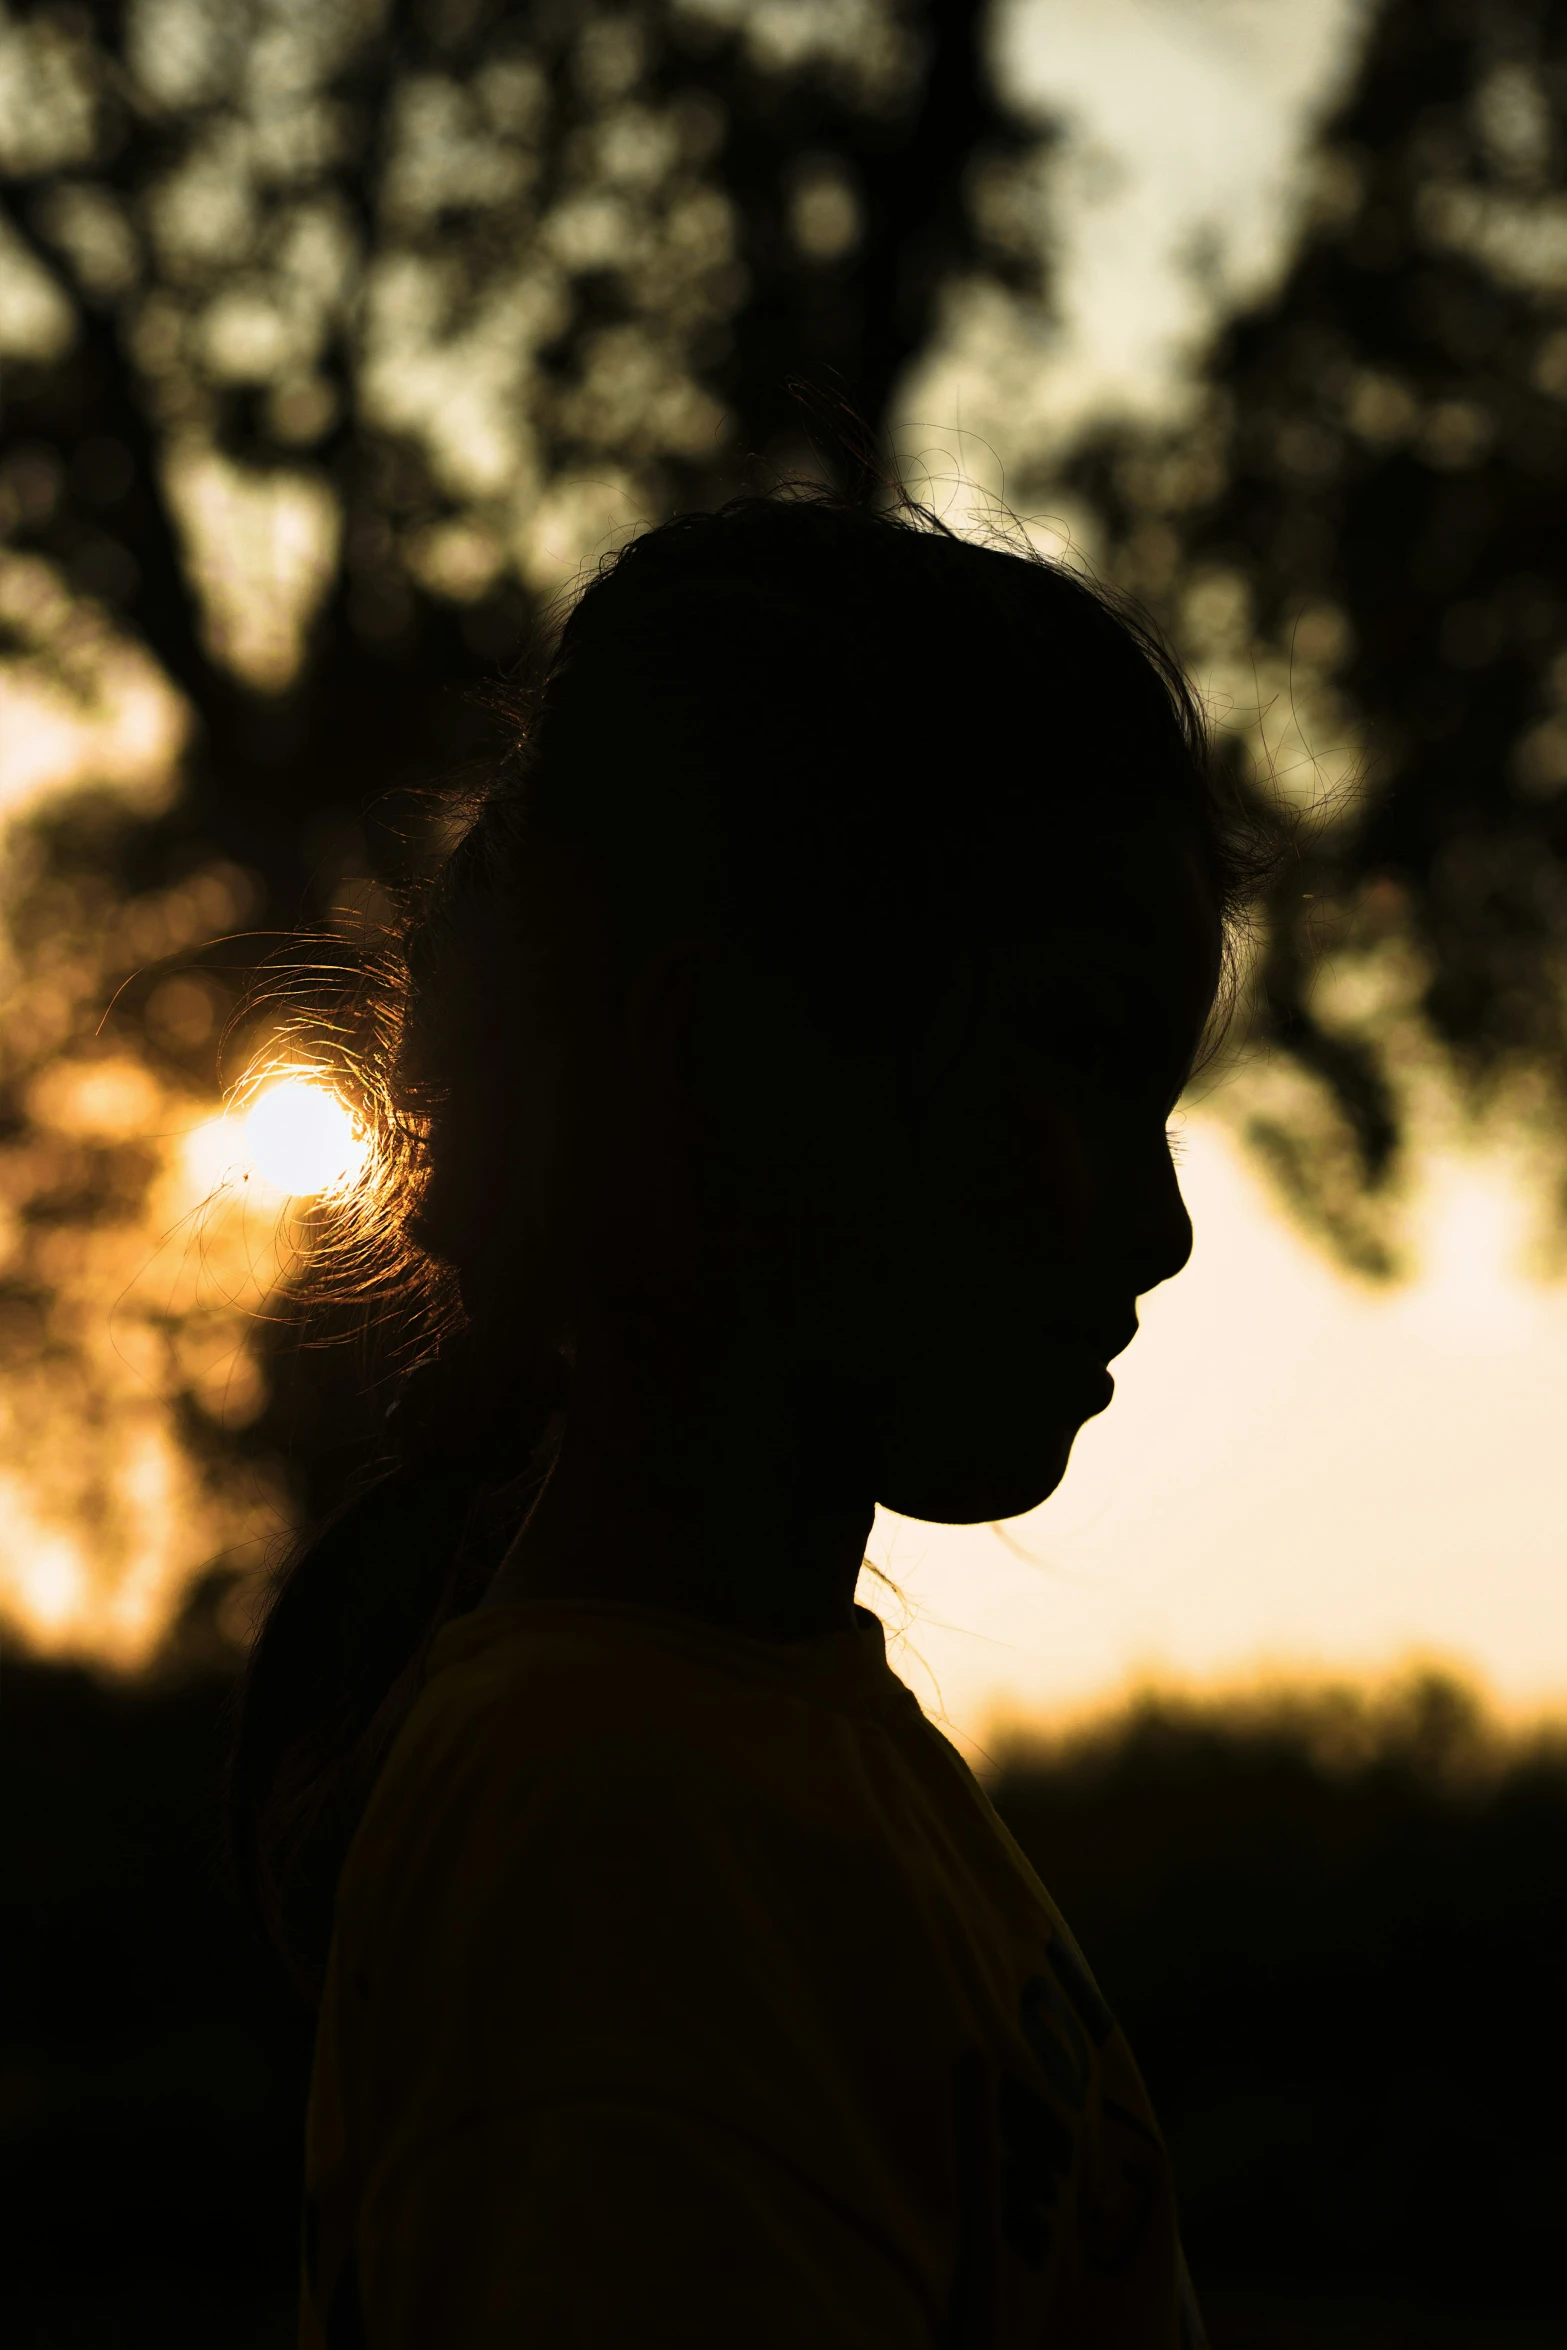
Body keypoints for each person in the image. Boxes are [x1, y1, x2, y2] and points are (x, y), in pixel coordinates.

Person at [231, 485, 1261, 2348]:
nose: (1163, 1225)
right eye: (1077, 1060)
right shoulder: (620, 1840)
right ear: (718, 1068)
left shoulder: (749, 1752)